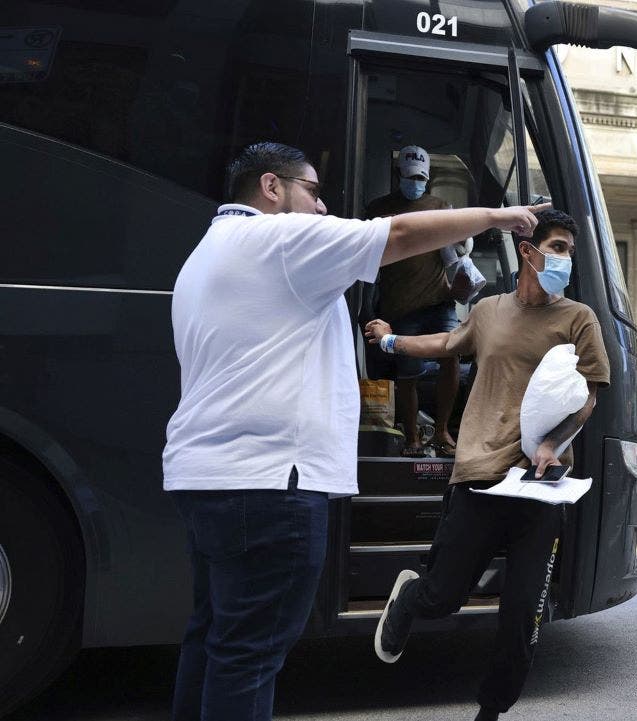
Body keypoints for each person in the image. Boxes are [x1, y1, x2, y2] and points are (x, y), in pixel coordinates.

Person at [162, 142, 544, 721]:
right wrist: (497, 217)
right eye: (312, 192)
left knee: (217, 642)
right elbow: (395, 235)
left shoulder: (207, 252)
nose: (320, 210)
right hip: (271, 484)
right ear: (271, 188)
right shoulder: (278, 239)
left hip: (208, 480)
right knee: (249, 657)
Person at [368, 209, 610, 721]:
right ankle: (413, 596)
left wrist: (554, 443)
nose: (567, 259)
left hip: (542, 486)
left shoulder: (578, 319)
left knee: (524, 613)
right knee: (442, 597)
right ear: (530, 251)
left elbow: (589, 396)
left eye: (570, 250)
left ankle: (491, 711)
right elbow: (447, 344)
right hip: (479, 476)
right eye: (560, 247)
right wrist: (391, 340)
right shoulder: (490, 310)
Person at [365, 145, 471, 457]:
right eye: (412, 177)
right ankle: (412, 438)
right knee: (407, 374)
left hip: (439, 301)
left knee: (452, 355)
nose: (417, 182)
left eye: (422, 177)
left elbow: (460, 247)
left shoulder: (440, 206)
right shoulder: (378, 209)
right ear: (399, 175)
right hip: (400, 306)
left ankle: (440, 432)